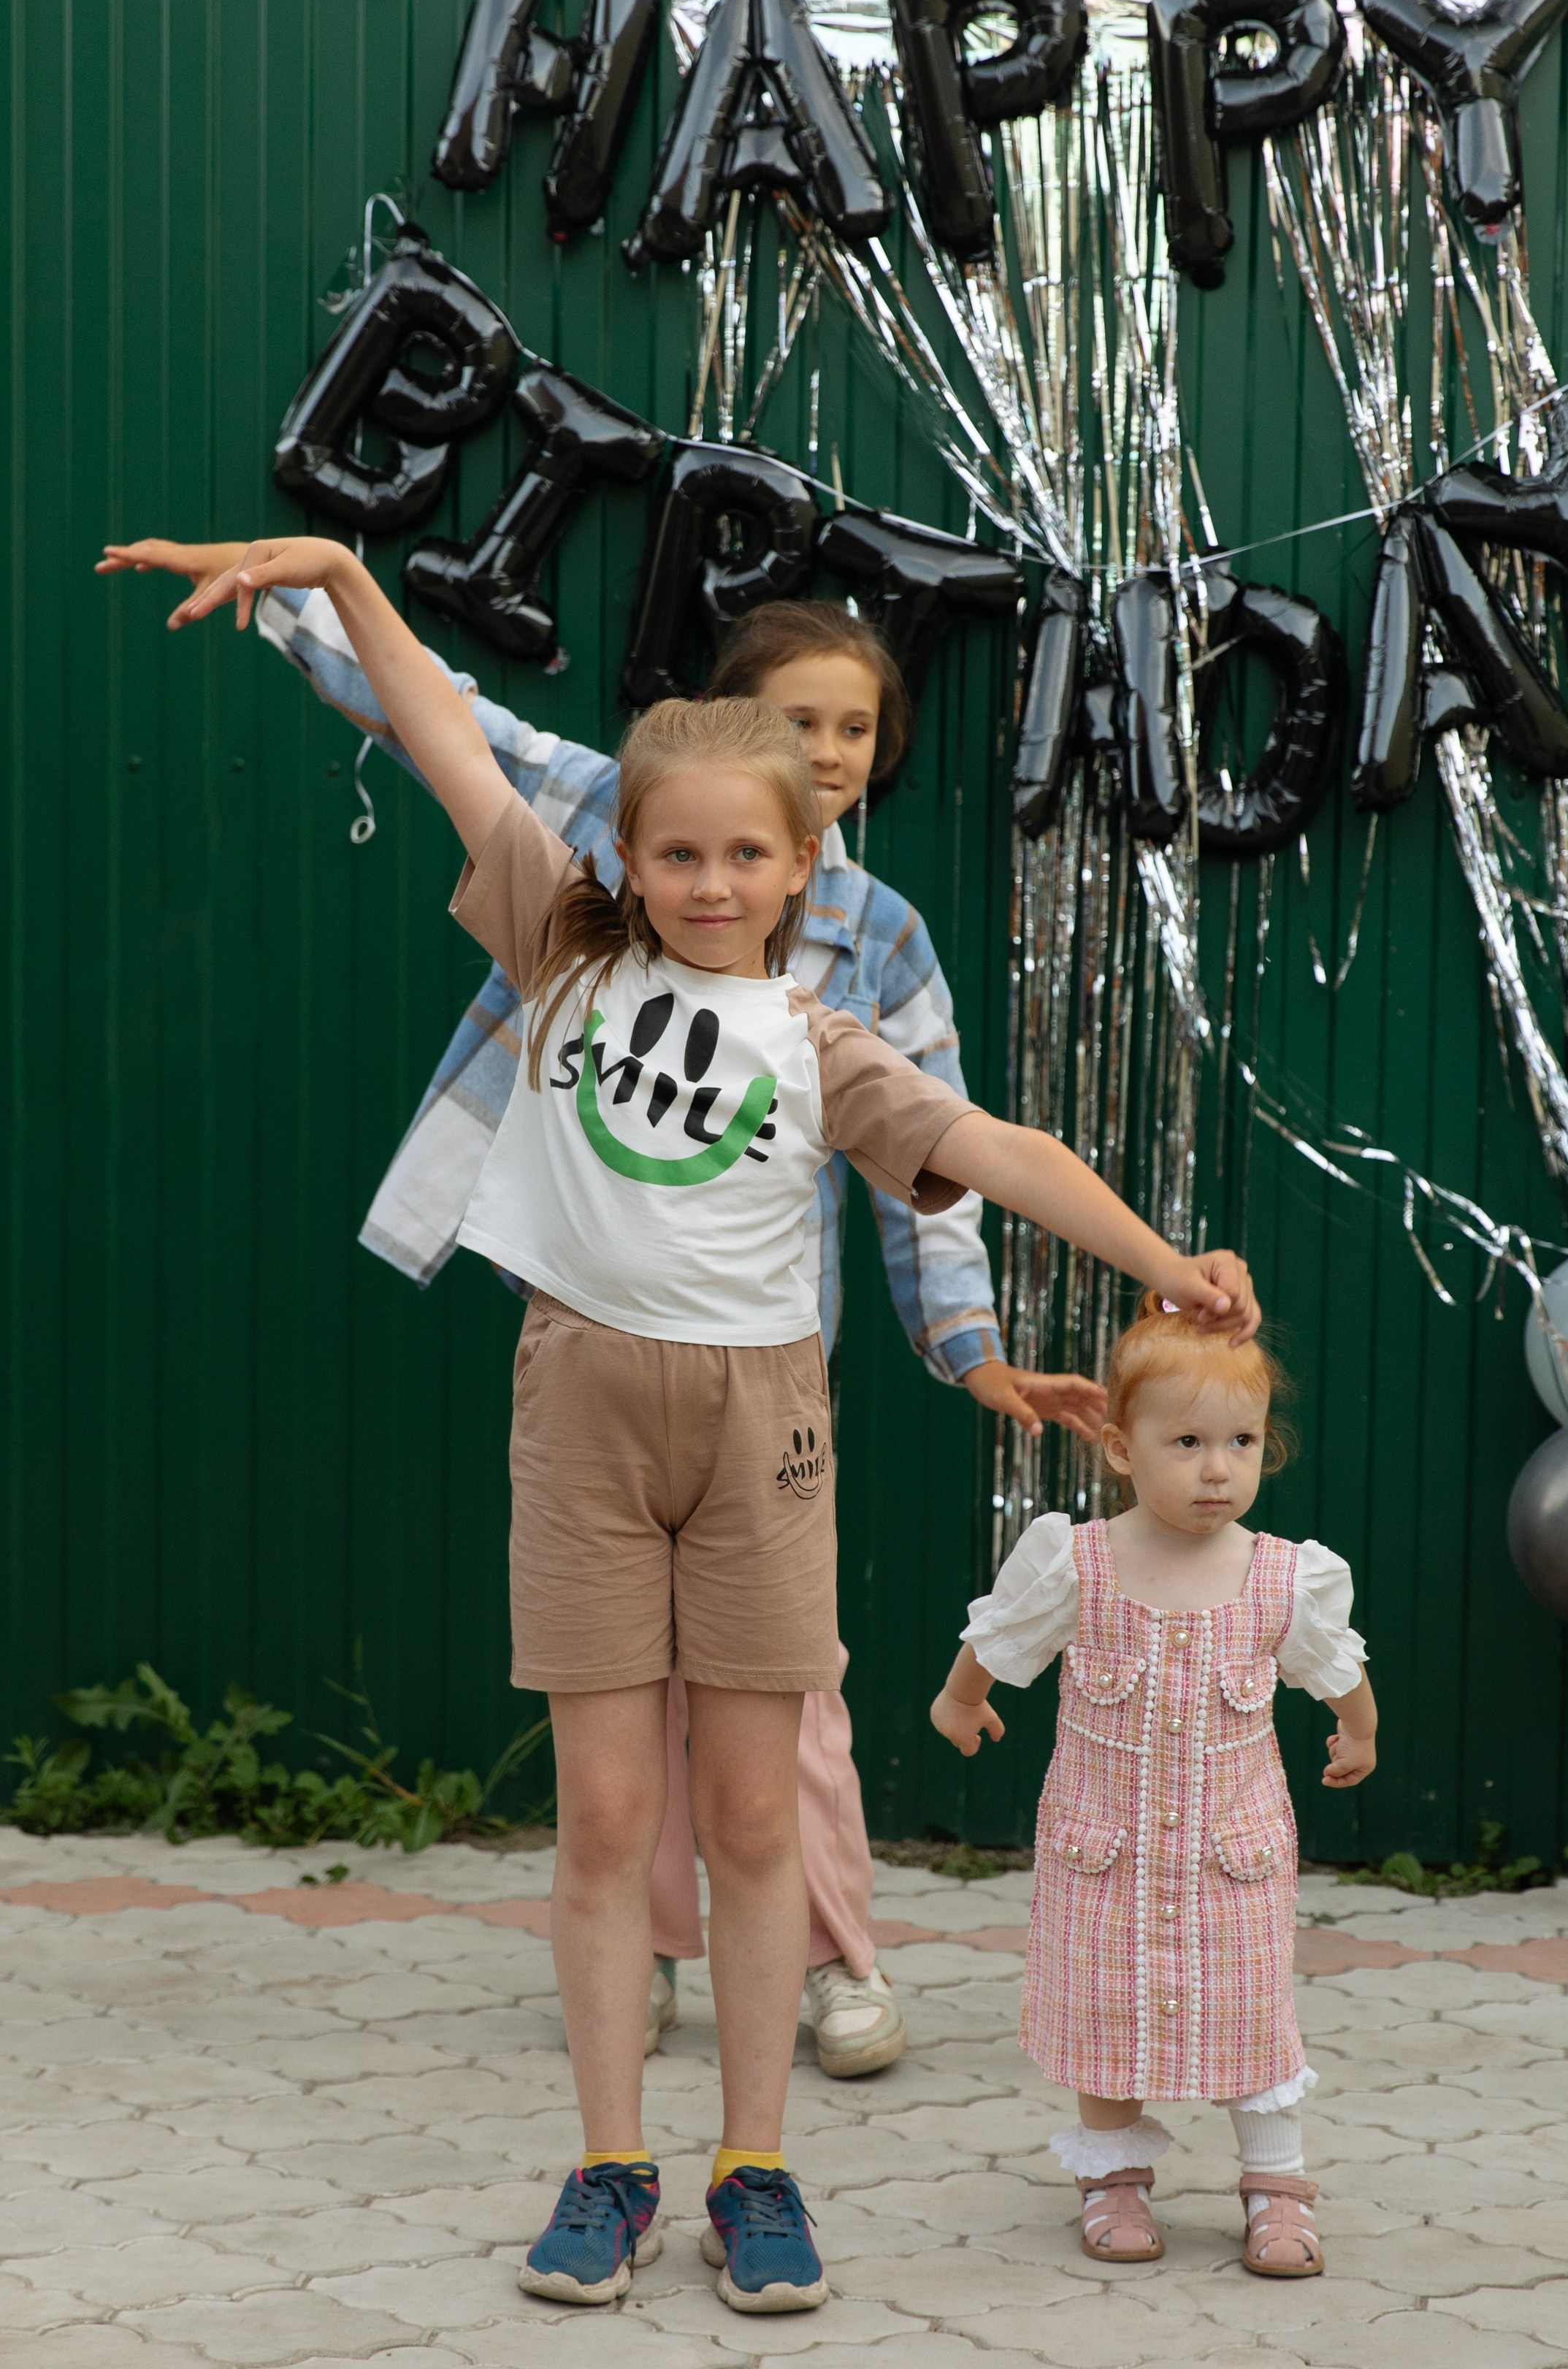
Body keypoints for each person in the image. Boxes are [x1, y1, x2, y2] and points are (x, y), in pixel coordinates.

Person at [139, 532, 1261, 2318]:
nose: (713, 879)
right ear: (628, 860)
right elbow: (442, 728)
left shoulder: (821, 1040)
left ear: (804, 864)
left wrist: (1163, 1261)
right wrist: (345, 574)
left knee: (750, 1819)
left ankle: (755, 2169)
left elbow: (993, 1156)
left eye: (749, 852)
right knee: (599, 1821)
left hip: (761, 1428)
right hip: (580, 1407)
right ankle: (606, 2165)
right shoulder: (553, 944)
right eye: (679, 852)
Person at [931, 1291, 1376, 2281]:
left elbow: (1332, 1665)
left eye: (1242, 1442)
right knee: (1101, 2015)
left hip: (1232, 1862)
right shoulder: (1078, 1562)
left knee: (1254, 2015)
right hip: (1107, 1855)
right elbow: (1000, 1641)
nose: (1218, 1469)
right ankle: (1117, 2174)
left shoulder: (1281, 1576)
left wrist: (1360, 1728)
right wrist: (959, 1704)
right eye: (1186, 1442)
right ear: (1123, 1449)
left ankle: (1275, 2181)